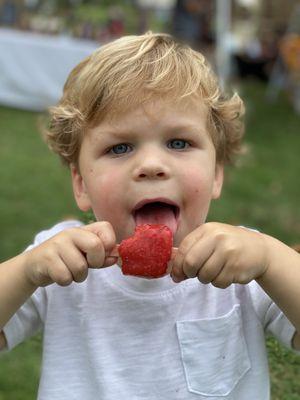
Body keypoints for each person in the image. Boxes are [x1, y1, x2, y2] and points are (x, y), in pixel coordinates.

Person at [0, 32, 299, 399]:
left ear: (216, 173)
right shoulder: (59, 264)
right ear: (81, 184)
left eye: (178, 143)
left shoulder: (244, 264)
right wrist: (27, 270)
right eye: (120, 147)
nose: (152, 165)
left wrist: (270, 259)